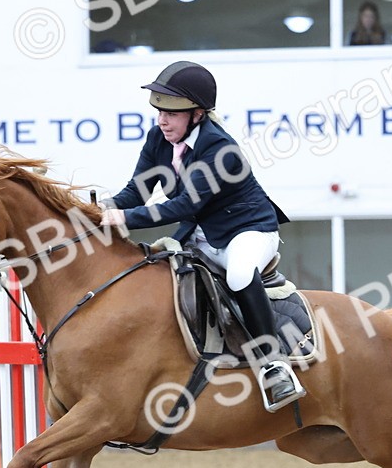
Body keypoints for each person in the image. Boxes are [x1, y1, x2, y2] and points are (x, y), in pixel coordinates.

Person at [101, 61, 305, 413]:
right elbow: (136, 193)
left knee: (240, 274)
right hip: (201, 234)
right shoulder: (159, 140)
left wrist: (119, 218)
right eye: (160, 112)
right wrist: (95, 210)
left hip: (248, 231)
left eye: (172, 114)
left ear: (197, 114)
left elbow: (181, 206)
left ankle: (274, 364)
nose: (162, 121)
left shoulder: (219, 149)